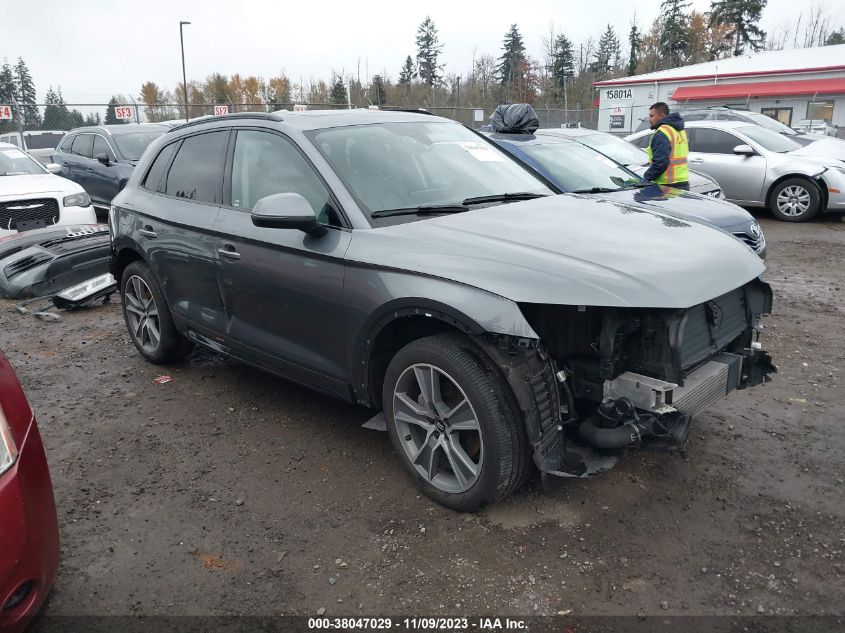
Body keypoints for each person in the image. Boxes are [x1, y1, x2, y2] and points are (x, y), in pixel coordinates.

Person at [643, 102, 689, 190]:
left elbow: (661, 163)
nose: (649, 119)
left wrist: (646, 178)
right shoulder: (680, 130)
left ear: (661, 116)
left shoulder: (662, 132)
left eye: (652, 116)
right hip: (683, 181)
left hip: (666, 185)